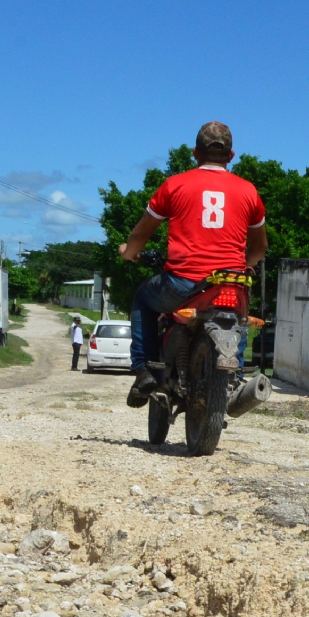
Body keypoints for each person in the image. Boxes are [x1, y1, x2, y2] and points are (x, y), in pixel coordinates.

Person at [119, 122, 267, 406]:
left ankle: (142, 368)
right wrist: (244, 265)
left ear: (194, 152)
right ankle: (234, 374)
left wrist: (129, 252)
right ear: (231, 155)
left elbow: (141, 233)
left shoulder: (175, 184)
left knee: (142, 297)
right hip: (228, 282)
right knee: (239, 312)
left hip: (183, 284)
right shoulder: (249, 192)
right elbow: (260, 247)